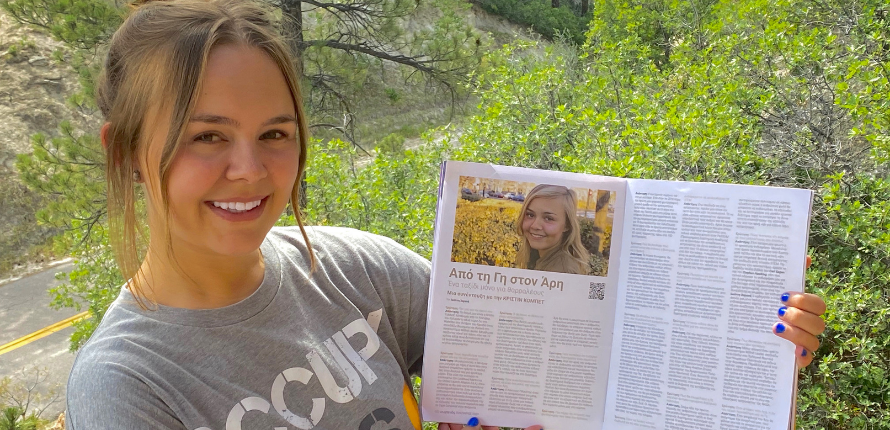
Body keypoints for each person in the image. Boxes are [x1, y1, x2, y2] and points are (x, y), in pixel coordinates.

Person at [64, 0, 827, 429]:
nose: (251, 170)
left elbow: (585, 372)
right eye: (206, 137)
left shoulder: (357, 269)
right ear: (128, 149)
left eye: (275, 134)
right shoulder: (127, 387)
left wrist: (751, 358)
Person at [514, 184, 591, 275]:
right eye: (530, 215)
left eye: (548, 218)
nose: (535, 226)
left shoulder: (561, 271)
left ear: (567, 225)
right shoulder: (540, 257)